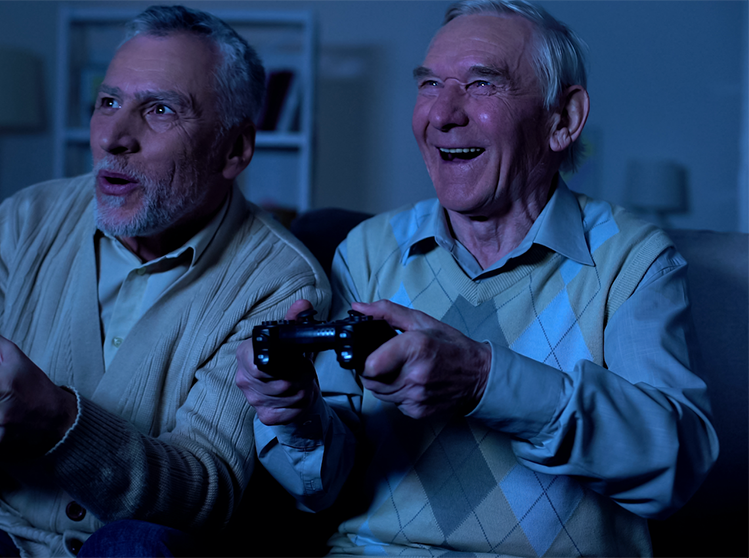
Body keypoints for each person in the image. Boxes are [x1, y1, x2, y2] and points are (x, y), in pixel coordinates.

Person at [0, 5, 330, 558]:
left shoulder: (281, 282)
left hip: (143, 549)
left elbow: (205, 497)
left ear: (235, 150)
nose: (114, 137)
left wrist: (62, 422)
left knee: (134, 547)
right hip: (7, 543)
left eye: (159, 110)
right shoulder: (29, 216)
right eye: (108, 102)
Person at [235, 1, 718, 556]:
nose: (441, 113)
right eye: (430, 84)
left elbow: (675, 464)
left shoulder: (629, 257)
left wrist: (483, 380)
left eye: (482, 84)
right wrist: (296, 414)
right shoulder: (371, 249)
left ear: (563, 120)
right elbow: (322, 488)